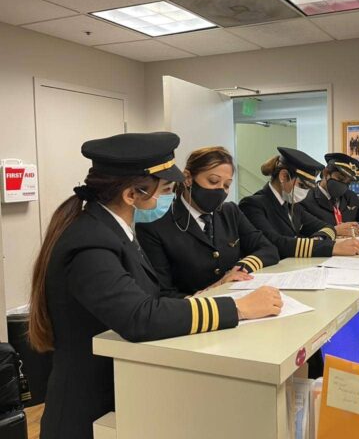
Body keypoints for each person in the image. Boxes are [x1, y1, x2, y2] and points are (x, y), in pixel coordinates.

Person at [28, 132, 282, 439]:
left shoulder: (114, 231)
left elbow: (153, 297)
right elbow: (139, 316)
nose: (169, 195)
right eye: (164, 189)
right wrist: (238, 308)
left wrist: (209, 292)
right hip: (87, 410)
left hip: (123, 388)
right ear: (131, 194)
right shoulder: (90, 242)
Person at [136, 147, 279, 296]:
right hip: (194, 307)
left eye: (226, 185)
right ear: (188, 178)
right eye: (213, 181)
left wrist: (241, 268)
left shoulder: (230, 212)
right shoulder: (156, 225)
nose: (220, 190)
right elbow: (164, 294)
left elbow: (268, 249)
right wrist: (218, 286)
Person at [239, 147, 359, 259]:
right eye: (302, 185)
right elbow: (275, 243)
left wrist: (318, 239)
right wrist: (331, 247)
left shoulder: (292, 205)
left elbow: (327, 227)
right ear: (283, 176)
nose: (305, 192)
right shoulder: (252, 205)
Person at [300, 153, 359, 236]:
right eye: (340, 179)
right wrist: (336, 231)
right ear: (326, 173)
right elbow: (304, 232)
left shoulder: (349, 197)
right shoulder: (305, 198)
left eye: (348, 183)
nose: (342, 185)